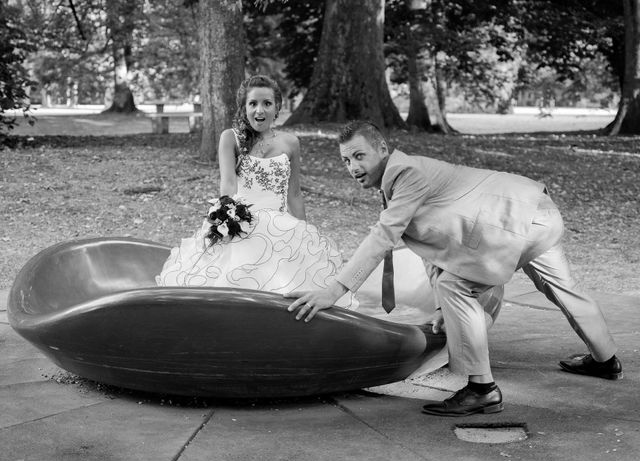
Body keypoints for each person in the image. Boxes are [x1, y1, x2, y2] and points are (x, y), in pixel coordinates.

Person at [286, 120, 622, 417]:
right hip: (535, 212)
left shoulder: (406, 174)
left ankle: (482, 389)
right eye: (346, 160)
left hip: (517, 220)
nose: (352, 166)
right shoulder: (401, 179)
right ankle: (606, 359)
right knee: (562, 288)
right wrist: (439, 308)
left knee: (454, 287)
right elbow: (434, 250)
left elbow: (383, 236)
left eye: (359, 156)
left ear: (383, 149)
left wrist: (335, 290)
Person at [156, 75, 354, 309]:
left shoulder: (290, 142)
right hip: (243, 224)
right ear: (244, 107)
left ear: (277, 107)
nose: (260, 110)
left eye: (267, 103)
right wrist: (228, 220)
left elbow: (295, 194)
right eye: (253, 104)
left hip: (282, 228)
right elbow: (228, 184)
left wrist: (305, 235)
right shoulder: (230, 138)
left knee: (290, 287)